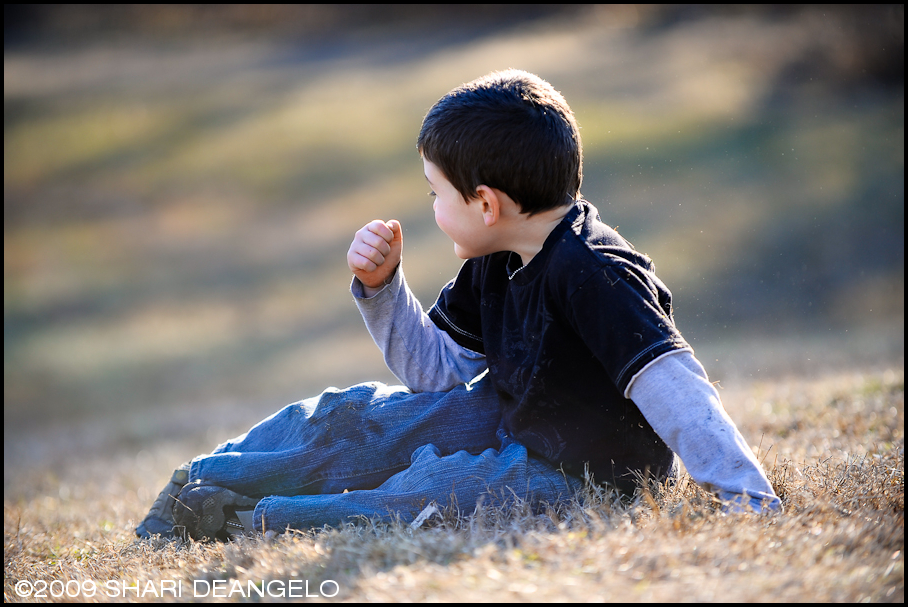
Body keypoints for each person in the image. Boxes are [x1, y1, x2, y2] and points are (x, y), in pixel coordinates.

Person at [136, 69, 779, 542]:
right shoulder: (494, 260)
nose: (432, 209)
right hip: (505, 419)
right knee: (357, 416)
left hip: (584, 477)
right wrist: (385, 290)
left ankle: (241, 520)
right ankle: (201, 479)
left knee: (436, 493)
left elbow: (674, 383)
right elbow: (436, 377)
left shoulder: (596, 275)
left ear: (485, 203)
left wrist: (744, 497)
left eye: (435, 193)